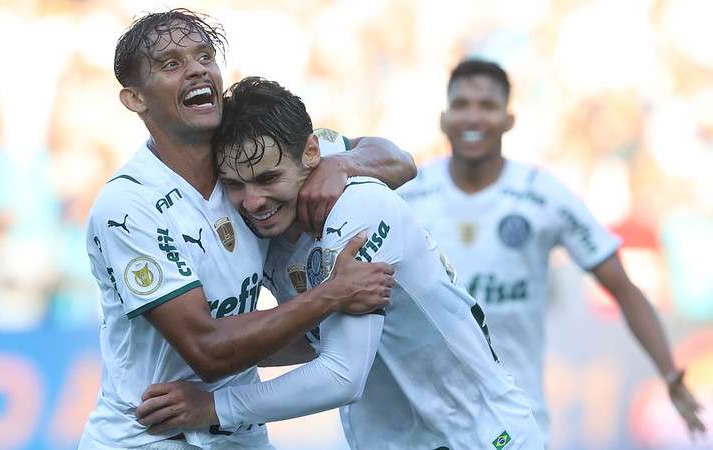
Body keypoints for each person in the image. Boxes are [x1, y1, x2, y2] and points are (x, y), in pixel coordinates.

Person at [136, 76, 545, 450]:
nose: (253, 201)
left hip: (481, 436)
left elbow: (342, 376)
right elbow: (312, 338)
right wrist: (215, 352)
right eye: (236, 185)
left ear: (313, 152)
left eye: (268, 178)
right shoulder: (259, 227)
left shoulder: (359, 207)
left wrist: (214, 407)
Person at [80, 9, 416, 450]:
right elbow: (209, 350)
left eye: (204, 56)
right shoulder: (130, 204)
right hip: (151, 435)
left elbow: (399, 160)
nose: (197, 68)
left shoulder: (247, 161)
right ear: (135, 99)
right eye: (171, 63)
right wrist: (334, 294)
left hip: (239, 434)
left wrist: (344, 164)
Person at [396, 58, 706, 440]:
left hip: (513, 421)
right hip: (426, 424)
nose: (473, 117)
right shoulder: (408, 197)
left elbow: (623, 288)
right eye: (461, 105)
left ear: (509, 119)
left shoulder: (542, 196)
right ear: (444, 118)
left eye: (487, 106)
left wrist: (670, 375)